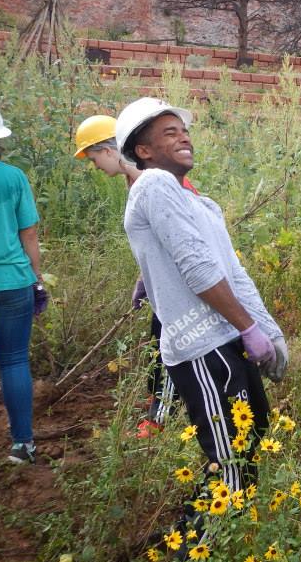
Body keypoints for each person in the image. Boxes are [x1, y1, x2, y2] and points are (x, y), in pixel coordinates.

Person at [116, 97, 288, 491]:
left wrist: (266, 329)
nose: (183, 138)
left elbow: (233, 271)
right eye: (169, 133)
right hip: (201, 348)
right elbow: (198, 269)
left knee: (251, 446)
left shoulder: (200, 203)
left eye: (184, 131)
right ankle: (198, 551)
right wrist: (249, 326)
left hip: (228, 339)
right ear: (144, 151)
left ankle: (234, 537)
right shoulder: (154, 184)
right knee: (230, 463)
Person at [74, 114, 192, 437]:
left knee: (170, 344)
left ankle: (160, 417)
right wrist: (143, 278)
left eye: (95, 157)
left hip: (176, 285)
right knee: (157, 339)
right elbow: (150, 241)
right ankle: (158, 398)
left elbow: (182, 237)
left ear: (111, 150)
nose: (95, 165)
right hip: (158, 281)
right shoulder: (135, 181)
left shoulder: (155, 182)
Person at [0, 96, 47, 475]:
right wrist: (36, 278)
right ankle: (22, 444)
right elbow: (29, 233)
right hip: (10, 281)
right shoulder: (12, 177)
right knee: (14, 360)